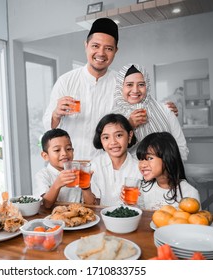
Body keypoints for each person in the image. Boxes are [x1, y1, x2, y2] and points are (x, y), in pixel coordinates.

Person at [42, 18, 178, 161]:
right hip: (72, 163)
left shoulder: (121, 83)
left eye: (108, 48)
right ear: (86, 45)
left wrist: (165, 111)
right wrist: (56, 114)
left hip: (109, 164)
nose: (101, 53)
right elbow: (49, 126)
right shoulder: (66, 81)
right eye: (95, 46)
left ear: (115, 51)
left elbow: (145, 110)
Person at [113, 63, 189, 160]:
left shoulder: (165, 110)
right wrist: (129, 125)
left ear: (147, 86)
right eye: (129, 85)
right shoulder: (113, 117)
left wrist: (171, 170)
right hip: (131, 173)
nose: (135, 90)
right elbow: (113, 153)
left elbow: (181, 147)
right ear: (120, 87)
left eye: (141, 84)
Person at [134, 132, 200, 210]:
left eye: (150, 158)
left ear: (167, 158)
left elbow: (196, 221)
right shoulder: (143, 189)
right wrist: (130, 203)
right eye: (141, 159)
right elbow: (140, 216)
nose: (142, 165)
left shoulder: (189, 193)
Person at [33, 128, 95, 208]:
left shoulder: (78, 172)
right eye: (57, 150)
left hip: (77, 216)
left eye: (68, 149)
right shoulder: (42, 175)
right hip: (52, 218)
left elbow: (91, 205)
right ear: (45, 156)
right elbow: (45, 205)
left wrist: (86, 187)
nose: (64, 153)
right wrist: (57, 184)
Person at [90, 113, 142, 206]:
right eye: (106, 137)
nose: (113, 142)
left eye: (119, 135)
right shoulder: (95, 165)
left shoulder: (139, 168)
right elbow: (93, 204)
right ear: (101, 141)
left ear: (129, 136)